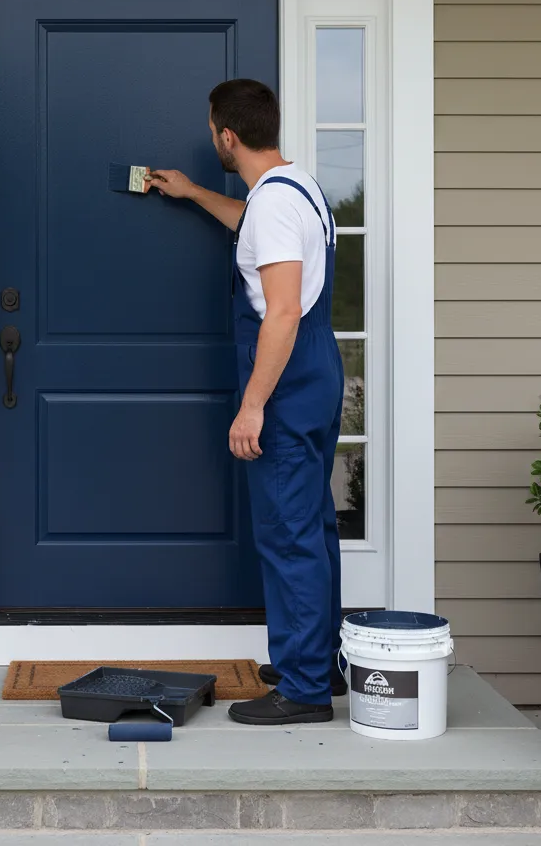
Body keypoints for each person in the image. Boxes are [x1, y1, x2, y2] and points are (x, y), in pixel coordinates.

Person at [146, 78, 346, 725]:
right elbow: (254, 228)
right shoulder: (293, 189)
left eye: (212, 133)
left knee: (288, 535)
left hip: (286, 374)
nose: (213, 141)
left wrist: (253, 403)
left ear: (226, 136)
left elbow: (282, 311)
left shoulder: (275, 207)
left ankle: (305, 688)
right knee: (311, 526)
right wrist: (195, 192)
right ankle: (316, 661)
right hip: (316, 368)